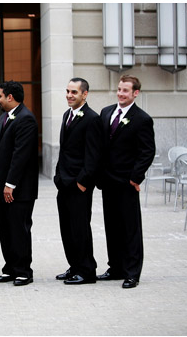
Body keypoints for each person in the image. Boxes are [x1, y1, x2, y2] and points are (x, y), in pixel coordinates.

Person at [98, 75, 155, 289]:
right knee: (111, 227)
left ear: (135, 93)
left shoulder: (142, 119)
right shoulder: (106, 112)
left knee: (130, 229)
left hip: (126, 183)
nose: (120, 93)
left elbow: (147, 151)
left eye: (125, 91)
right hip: (107, 182)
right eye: (119, 89)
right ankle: (115, 268)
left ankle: (132, 273)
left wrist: (135, 177)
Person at [54, 78, 103, 285]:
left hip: (79, 184)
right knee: (67, 228)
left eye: (74, 92)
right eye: (67, 91)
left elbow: (94, 154)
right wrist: (58, 176)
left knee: (80, 228)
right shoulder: (67, 115)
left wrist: (83, 181)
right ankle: (74, 265)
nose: (69, 95)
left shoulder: (92, 118)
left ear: (85, 94)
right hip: (63, 182)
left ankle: (87, 271)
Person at [0, 81, 38, 286]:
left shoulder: (26, 119)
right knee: (5, 229)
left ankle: (23, 271)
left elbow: (21, 155)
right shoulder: (3, 117)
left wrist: (10, 184)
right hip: (2, 187)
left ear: (10, 97)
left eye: (0, 95)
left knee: (19, 230)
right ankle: (10, 268)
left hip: (19, 189)